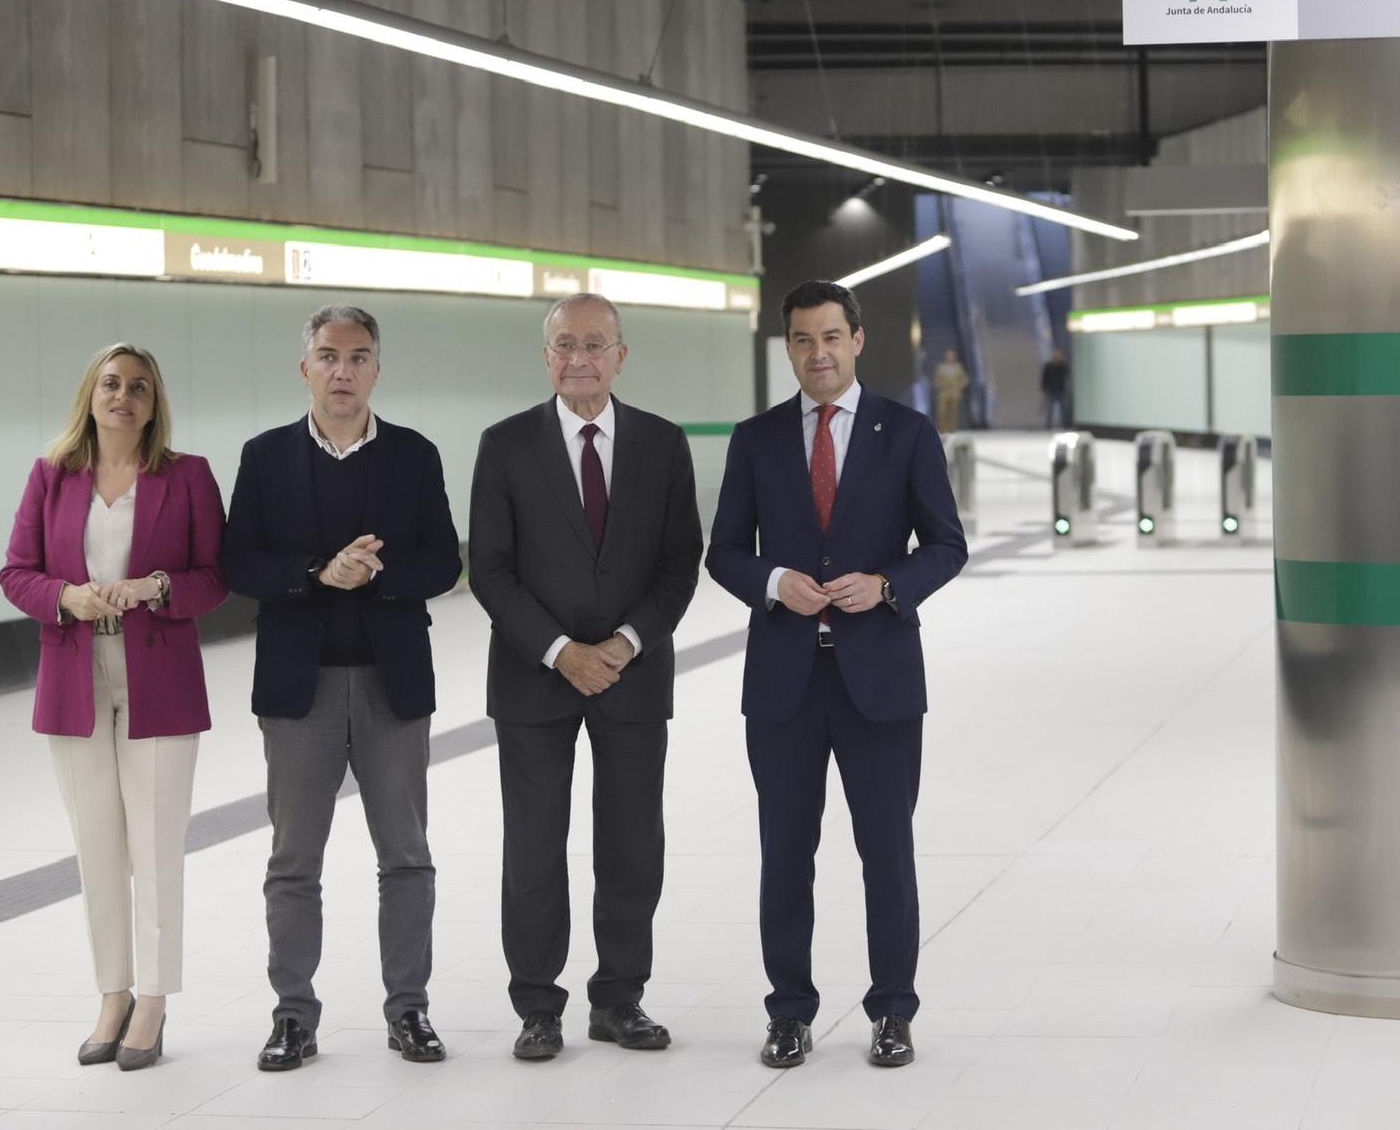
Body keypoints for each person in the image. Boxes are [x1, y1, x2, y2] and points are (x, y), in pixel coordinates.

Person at [706, 279, 967, 1069]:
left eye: (830, 337)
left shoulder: (908, 432)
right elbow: (723, 550)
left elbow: (947, 544)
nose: (817, 353)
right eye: (801, 340)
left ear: (857, 340)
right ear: (786, 347)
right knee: (785, 852)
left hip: (879, 679)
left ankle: (892, 1010)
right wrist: (773, 580)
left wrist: (889, 585)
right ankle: (789, 1010)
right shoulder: (756, 439)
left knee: (886, 849)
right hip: (784, 682)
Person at [222, 304, 463, 1073]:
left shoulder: (415, 456)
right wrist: (316, 574)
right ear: (305, 368)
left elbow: (443, 562)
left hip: (393, 687)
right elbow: (239, 563)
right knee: (294, 859)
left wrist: (379, 569)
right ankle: (293, 1015)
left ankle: (409, 1010)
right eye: (328, 356)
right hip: (301, 691)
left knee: (407, 856)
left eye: (358, 357)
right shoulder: (264, 457)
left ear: (377, 370)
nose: (342, 371)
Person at [467, 293, 703, 1061]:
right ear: (546, 357)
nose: (580, 357)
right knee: (534, 847)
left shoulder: (664, 445)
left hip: (633, 677)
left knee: (633, 843)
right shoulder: (504, 444)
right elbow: (491, 570)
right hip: (535, 679)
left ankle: (619, 998)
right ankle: (538, 1005)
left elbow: (679, 562)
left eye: (596, 343)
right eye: (565, 343)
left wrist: (627, 643)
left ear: (622, 356)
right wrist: (561, 649)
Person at [0, 343, 227, 1073]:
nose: (122, 395)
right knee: (97, 847)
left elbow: (216, 577)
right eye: (109, 383)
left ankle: (154, 999)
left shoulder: (186, 476)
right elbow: (16, 571)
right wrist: (66, 596)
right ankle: (112, 993)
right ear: (89, 394)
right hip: (75, 676)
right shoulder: (51, 475)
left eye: (137, 386)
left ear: (154, 402)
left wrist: (158, 586)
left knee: (155, 845)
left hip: (158, 677)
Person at [930, 350, 969, 433]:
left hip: (955, 392)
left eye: (952, 356)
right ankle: (942, 429)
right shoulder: (940, 367)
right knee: (942, 411)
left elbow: (965, 378)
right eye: (949, 356)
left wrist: (961, 385)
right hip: (943, 392)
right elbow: (935, 379)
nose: (950, 358)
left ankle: (952, 429)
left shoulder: (958, 367)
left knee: (953, 412)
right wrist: (938, 385)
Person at [1041, 349, 1071, 430]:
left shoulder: (1062, 366)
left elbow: (1067, 373)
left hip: (1060, 389)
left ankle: (1065, 425)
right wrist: (1044, 387)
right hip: (1051, 389)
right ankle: (1048, 426)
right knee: (1050, 409)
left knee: (1063, 409)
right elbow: (1044, 377)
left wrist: (1062, 363)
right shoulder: (1049, 365)